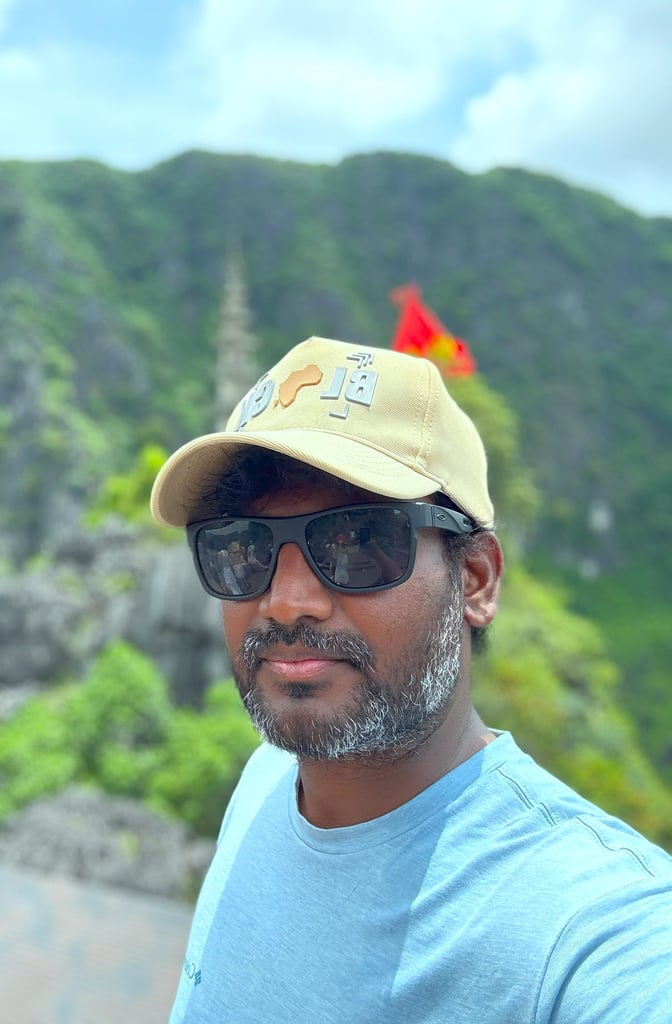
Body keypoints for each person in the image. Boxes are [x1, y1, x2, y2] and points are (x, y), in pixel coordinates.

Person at [150, 336, 672, 1023]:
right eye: (242, 549)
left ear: (475, 581)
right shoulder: (265, 783)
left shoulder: (589, 928)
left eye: (360, 542)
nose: (285, 600)